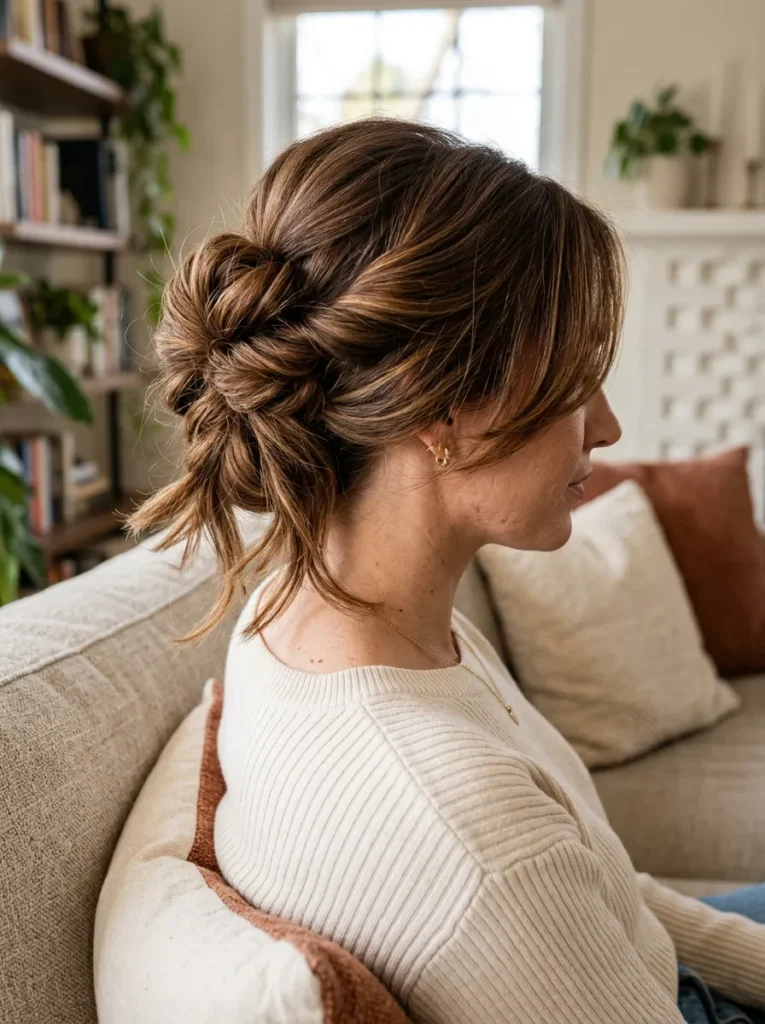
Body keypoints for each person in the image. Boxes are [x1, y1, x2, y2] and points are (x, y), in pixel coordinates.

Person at [132, 118, 765, 1024]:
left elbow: (615, 894)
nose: (609, 426)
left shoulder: (315, 610)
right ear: (447, 411)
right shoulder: (477, 844)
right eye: (578, 375)